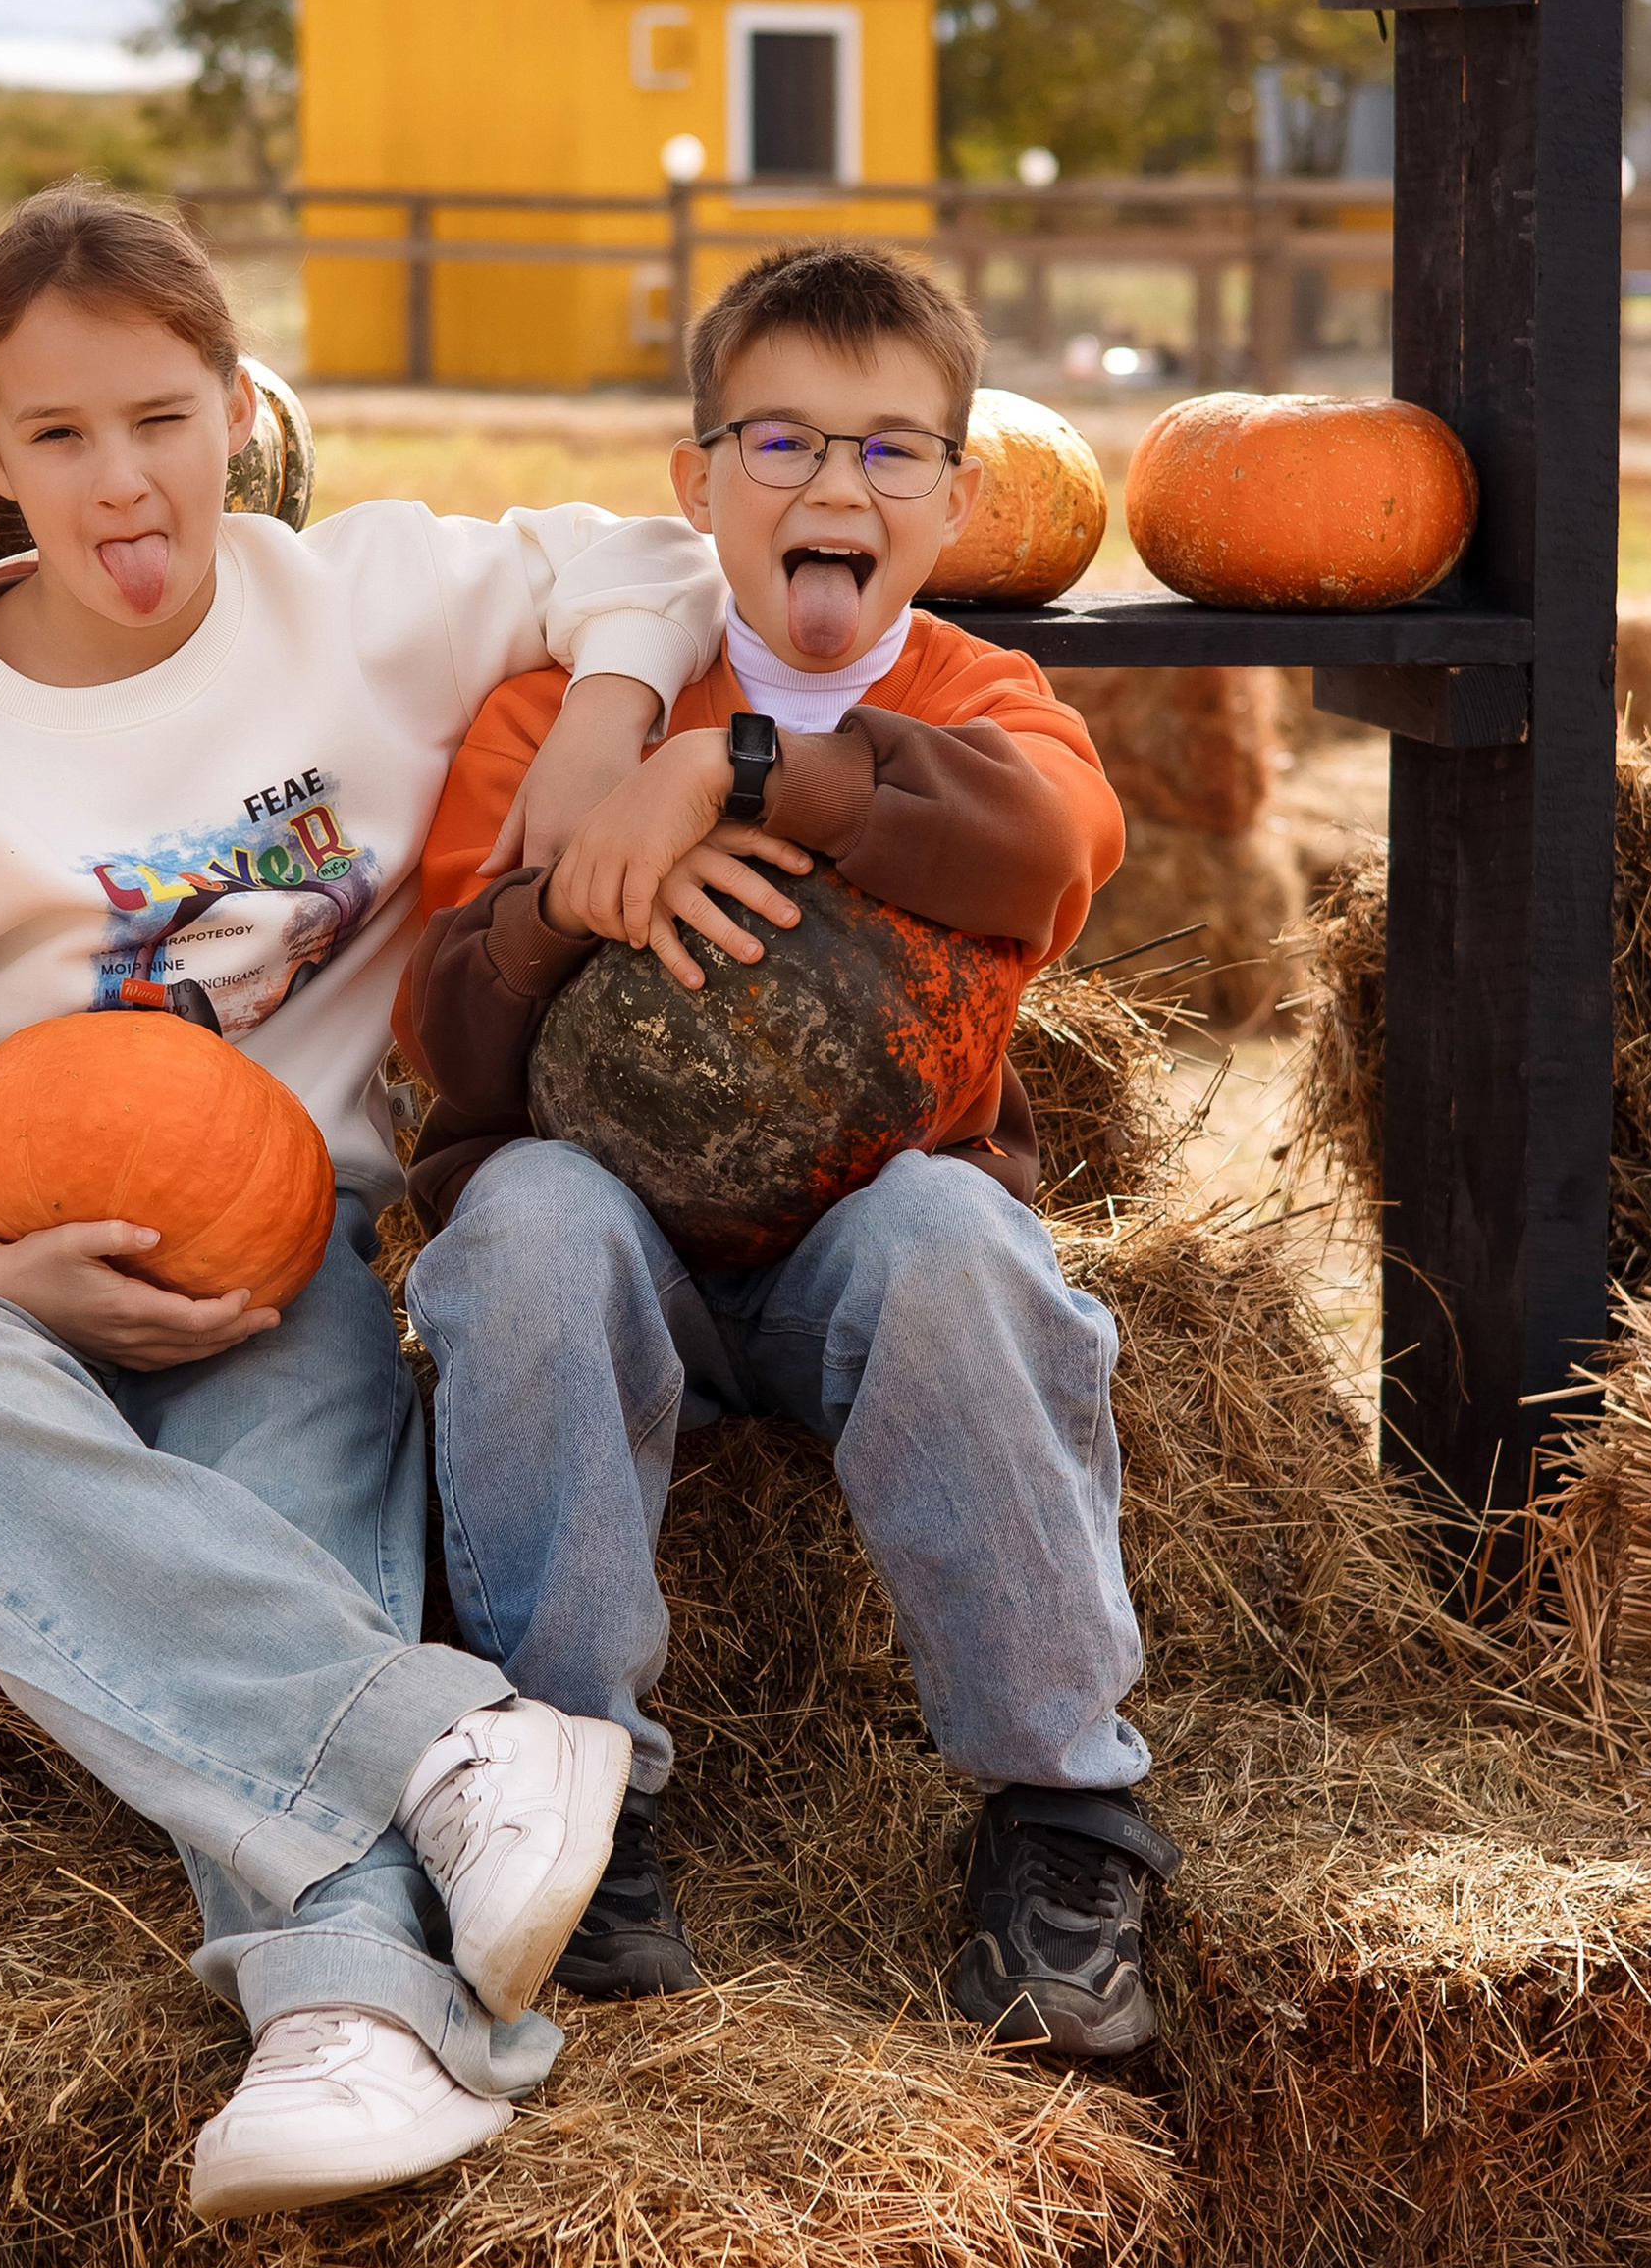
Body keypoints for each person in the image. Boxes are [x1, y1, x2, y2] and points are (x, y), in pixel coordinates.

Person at [0, 180, 736, 2218]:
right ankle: (458, 1751)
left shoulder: (352, 600)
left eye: (163, 419)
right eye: (64, 435)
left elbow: (649, 561)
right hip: (12, 1255)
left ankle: (349, 2015)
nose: (122, 482)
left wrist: (611, 716)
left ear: (237, 415)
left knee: (295, 1464)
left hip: (287, 1241)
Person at [397, 240, 1178, 2061]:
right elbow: (447, 1037)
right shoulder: (559, 714)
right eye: (782, 444)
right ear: (693, 485)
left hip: (855, 1270)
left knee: (960, 1244)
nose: (838, 486)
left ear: (961, 496)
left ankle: (1066, 1815)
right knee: (518, 1222)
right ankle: (572, 1799)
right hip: (627, 1255)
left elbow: (1050, 853)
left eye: (894, 451)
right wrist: (551, 911)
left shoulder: (983, 703)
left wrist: (749, 770)